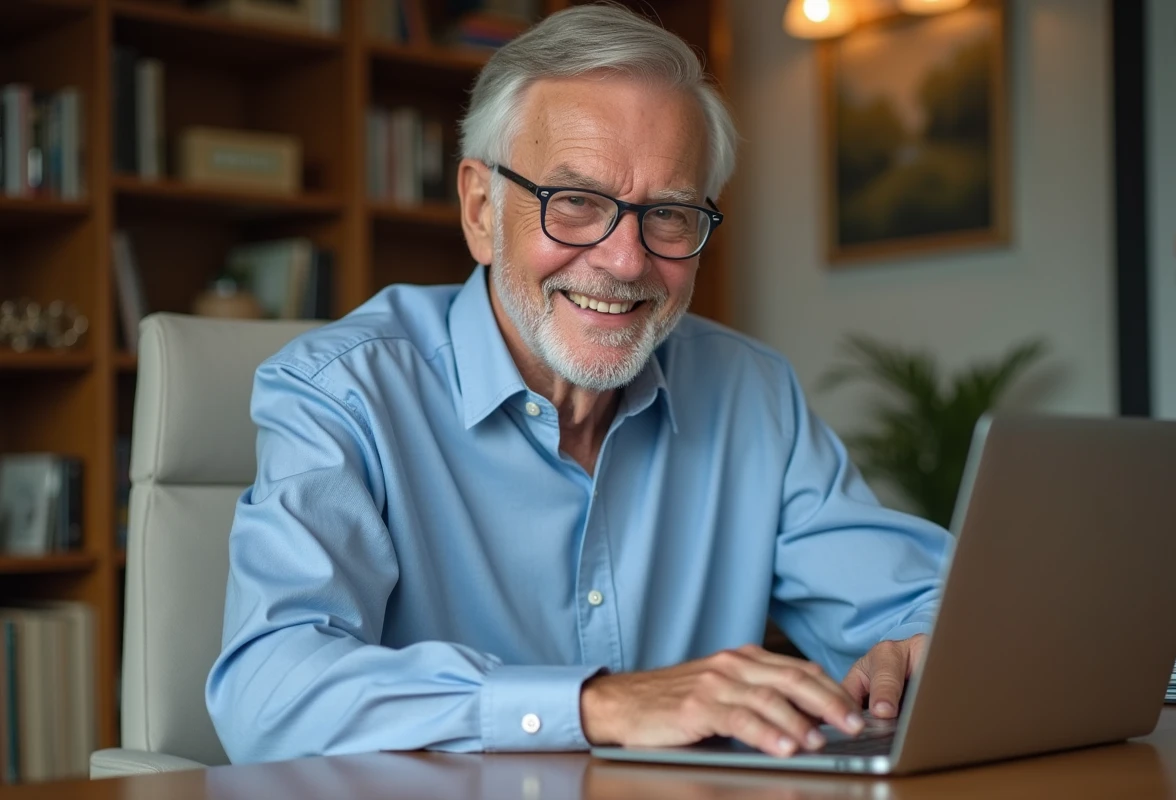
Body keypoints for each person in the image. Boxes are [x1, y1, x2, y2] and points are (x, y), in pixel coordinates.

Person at [205, 4, 953, 764]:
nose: (626, 261)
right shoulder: (343, 395)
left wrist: (916, 653)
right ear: (479, 209)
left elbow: (933, 609)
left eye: (667, 214)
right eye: (577, 203)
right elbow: (268, 695)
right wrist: (595, 705)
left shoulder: (750, 393)